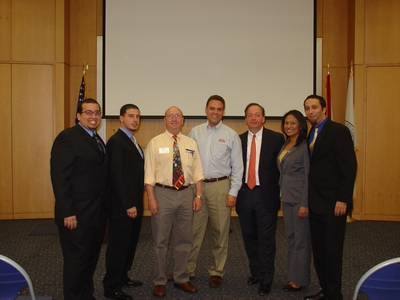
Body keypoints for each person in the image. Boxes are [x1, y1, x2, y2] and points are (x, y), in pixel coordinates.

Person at [144, 106, 204, 298]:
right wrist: (151, 198)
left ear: (183, 120)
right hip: (162, 194)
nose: (174, 119)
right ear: (165, 120)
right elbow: (148, 174)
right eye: (170, 116)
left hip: (186, 194)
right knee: (161, 240)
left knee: (185, 239)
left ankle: (181, 277)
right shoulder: (155, 143)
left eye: (177, 116)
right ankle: (159, 280)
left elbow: (197, 172)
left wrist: (198, 196)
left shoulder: (190, 143)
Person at [50, 98, 107, 300]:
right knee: (76, 262)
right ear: (79, 116)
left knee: (89, 260)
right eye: (88, 112)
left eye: (97, 112)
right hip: (76, 215)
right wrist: (67, 212)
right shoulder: (67, 138)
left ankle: (86, 294)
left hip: (95, 214)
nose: (93, 116)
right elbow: (60, 179)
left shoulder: (96, 139)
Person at [302, 95, 357, 300]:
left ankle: (335, 295)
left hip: (334, 204)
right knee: (320, 251)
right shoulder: (312, 132)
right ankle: (326, 290)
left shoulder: (338, 131)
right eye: (307, 108)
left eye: (314, 107)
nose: (310, 111)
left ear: (324, 108)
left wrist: (343, 199)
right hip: (315, 202)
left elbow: (349, 167)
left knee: (332, 253)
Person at [187, 95, 243, 288]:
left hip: (221, 187)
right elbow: (189, 161)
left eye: (219, 109)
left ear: (223, 112)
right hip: (198, 187)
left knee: (220, 232)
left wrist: (233, 191)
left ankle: (217, 271)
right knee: (194, 231)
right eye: (212, 108)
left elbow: (238, 167)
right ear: (206, 110)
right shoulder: (195, 132)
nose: (215, 112)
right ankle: (188, 269)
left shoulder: (231, 135)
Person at [236, 103, 284, 296]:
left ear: (264, 118)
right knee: (249, 235)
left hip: (266, 195)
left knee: (266, 238)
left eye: (257, 115)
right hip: (244, 194)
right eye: (250, 115)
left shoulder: (277, 139)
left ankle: (266, 278)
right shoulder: (238, 140)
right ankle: (255, 272)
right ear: (245, 119)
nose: (253, 118)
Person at [103, 104, 144, 300]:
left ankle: (123, 277)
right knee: (118, 247)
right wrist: (128, 204)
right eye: (130, 116)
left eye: (137, 116)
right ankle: (111, 287)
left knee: (129, 244)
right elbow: (117, 176)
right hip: (123, 206)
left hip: (134, 203)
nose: (135, 120)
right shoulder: (117, 142)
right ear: (121, 118)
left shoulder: (131, 140)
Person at [277, 110, 311, 292]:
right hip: (287, 198)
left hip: (299, 200)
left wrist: (305, 203)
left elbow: (307, 176)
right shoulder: (286, 144)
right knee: (291, 239)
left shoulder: (304, 146)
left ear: (300, 125)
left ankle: (300, 280)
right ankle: (292, 277)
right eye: (286, 123)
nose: (289, 126)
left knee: (301, 241)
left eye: (293, 123)